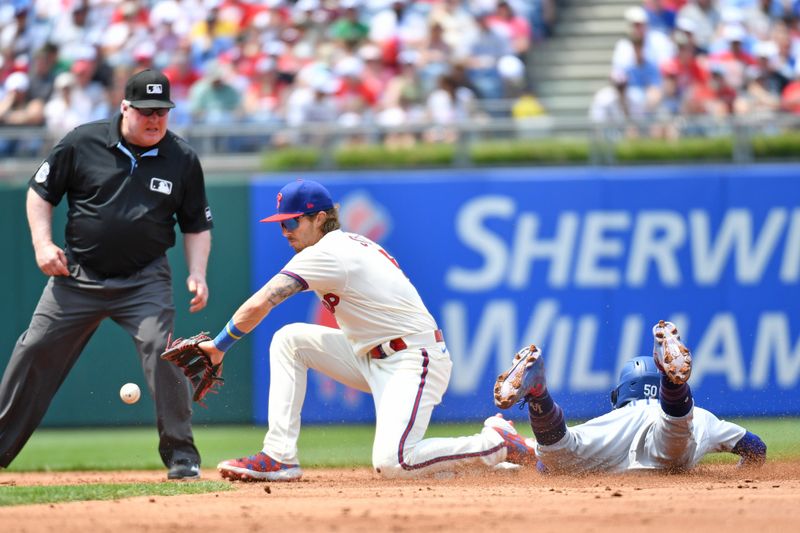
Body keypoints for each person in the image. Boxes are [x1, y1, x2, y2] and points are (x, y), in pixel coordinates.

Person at [191, 178, 535, 481]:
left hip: (413, 359)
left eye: (293, 222)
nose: (286, 232)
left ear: (320, 218)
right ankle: (280, 456)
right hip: (371, 356)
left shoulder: (327, 253)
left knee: (394, 463)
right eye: (281, 225)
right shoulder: (346, 243)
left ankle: (495, 443)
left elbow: (261, 303)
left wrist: (219, 346)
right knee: (290, 340)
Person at [0, 69, 214, 480]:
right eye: (146, 110)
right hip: (77, 276)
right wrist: (43, 245)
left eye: (162, 111)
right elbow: (40, 193)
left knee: (164, 351)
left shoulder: (182, 158)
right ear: (124, 107)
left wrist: (199, 272)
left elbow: (197, 224)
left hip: (144, 279)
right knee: (34, 349)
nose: (155, 119)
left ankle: (182, 456)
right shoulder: (83, 141)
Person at [494, 320, 767, 473]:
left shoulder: (611, 419)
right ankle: (673, 385)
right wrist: (733, 478)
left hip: (614, 438)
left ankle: (538, 394)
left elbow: (546, 466)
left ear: (619, 395)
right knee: (675, 431)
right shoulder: (704, 417)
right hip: (674, 441)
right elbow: (756, 448)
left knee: (560, 452)